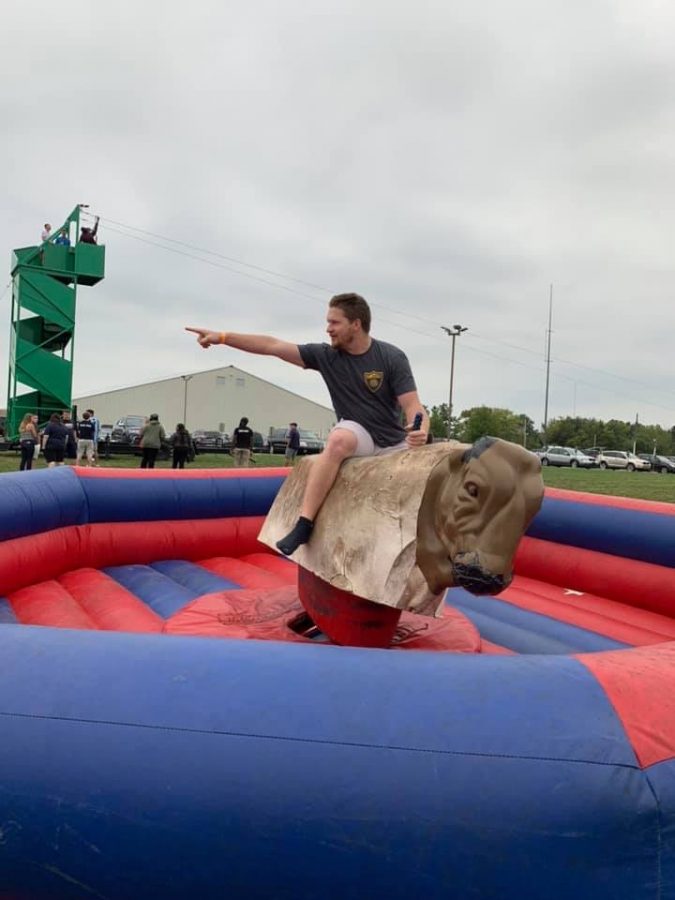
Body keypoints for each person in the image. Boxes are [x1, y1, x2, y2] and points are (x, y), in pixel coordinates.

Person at [186, 292, 428, 556]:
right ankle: (304, 524)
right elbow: (272, 346)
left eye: (334, 323)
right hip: (360, 435)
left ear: (355, 325)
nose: (328, 329)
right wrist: (222, 337)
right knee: (338, 439)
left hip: (393, 441)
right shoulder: (325, 356)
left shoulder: (391, 357)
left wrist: (420, 429)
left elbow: (414, 407)